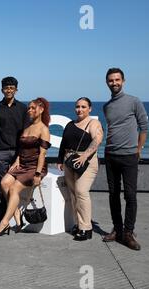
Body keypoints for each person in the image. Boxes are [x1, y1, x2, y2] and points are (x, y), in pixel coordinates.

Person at [0, 98, 51, 237]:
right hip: (22, 164)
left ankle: (4, 223)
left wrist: (37, 174)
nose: (29, 110)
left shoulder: (44, 129)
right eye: (29, 108)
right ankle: (17, 214)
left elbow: (42, 154)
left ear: (41, 110)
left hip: (35, 167)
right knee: (4, 183)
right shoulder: (27, 127)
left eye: (33, 108)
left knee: (14, 188)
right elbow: (22, 148)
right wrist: (17, 160)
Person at [102, 68, 149, 250]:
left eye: (117, 79)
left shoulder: (134, 101)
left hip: (129, 155)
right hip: (110, 154)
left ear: (123, 81)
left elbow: (144, 126)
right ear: (107, 82)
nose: (114, 83)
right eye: (111, 80)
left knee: (130, 195)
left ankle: (128, 233)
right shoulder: (107, 106)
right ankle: (118, 229)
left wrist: (138, 149)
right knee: (113, 195)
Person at [57, 97, 103, 241]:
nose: (80, 109)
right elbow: (63, 143)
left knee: (81, 192)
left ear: (90, 109)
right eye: (78, 106)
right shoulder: (70, 124)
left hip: (87, 162)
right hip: (70, 161)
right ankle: (78, 224)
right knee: (73, 194)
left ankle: (86, 228)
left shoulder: (93, 123)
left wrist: (85, 155)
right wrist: (60, 160)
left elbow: (97, 140)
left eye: (83, 107)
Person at [0, 77, 29, 225]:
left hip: (18, 153)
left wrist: (22, 153)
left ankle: (13, 213)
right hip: (1, 152)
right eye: (6, 88)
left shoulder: (23, 108)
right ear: (2, 90)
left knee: (14, 184)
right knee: (3, 184)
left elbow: (25, 133)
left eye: (12, 88)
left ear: (16, 90)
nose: (9, 90)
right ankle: (4, 213)